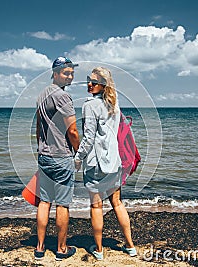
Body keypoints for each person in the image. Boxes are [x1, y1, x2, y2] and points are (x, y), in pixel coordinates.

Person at [74, 67, 137, 260]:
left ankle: (99, 250)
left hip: (95, 164)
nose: (90, 84)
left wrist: (77, 158)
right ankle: (130, 246)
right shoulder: (114, 104)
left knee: (96, 206)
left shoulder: (89, 105)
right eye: (88, 80)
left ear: (103, 85)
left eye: (94, 81)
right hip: (114, 162)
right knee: (117, 203)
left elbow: (88, 138)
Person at [34, 56, 80, 261]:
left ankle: (40, 247)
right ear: (54, 73)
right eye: (65, 72)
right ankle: (61, 249)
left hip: (44, 155)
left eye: (71, 72)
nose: (69, 75)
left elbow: (38, 127)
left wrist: (40, 147)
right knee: (62, 205)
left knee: (44, 202)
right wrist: (79, 153)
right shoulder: (63, 96)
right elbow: (73, 131)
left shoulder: (42, 94)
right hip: (61, 156)